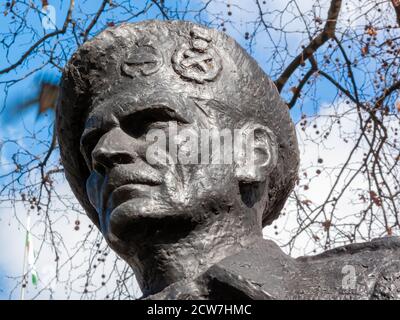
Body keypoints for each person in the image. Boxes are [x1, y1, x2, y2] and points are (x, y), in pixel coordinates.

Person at [56, 20, 400, 299]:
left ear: (252, 154)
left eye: (152, 124)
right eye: (91, 144)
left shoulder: (373, 285)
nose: (105, 151)